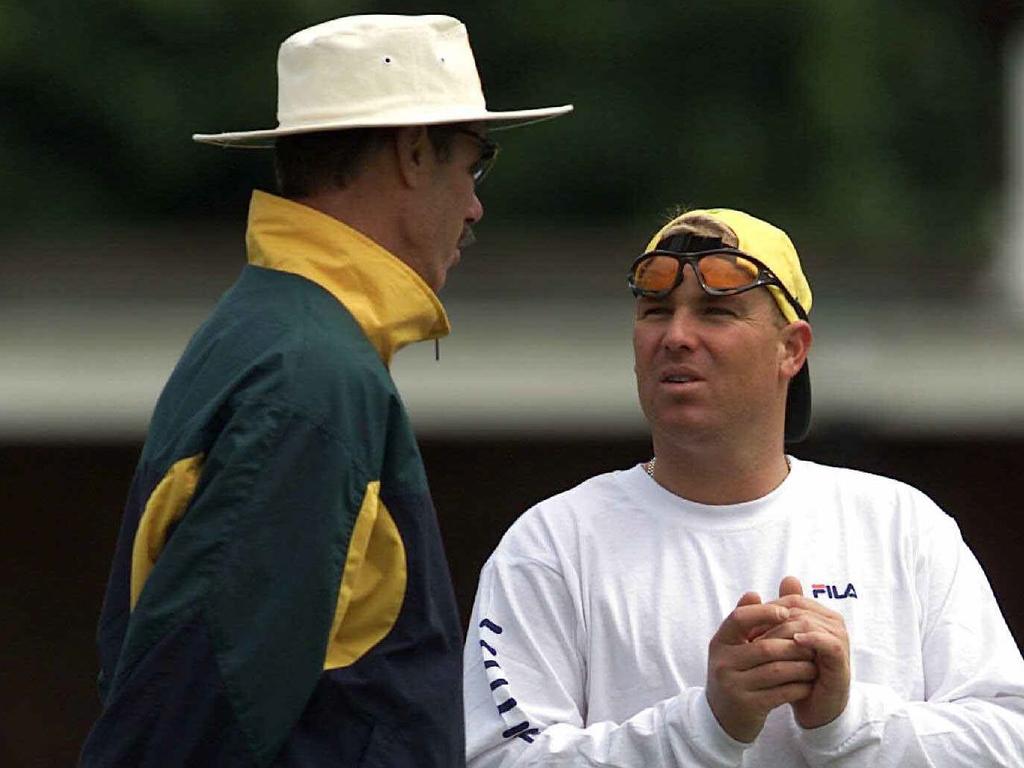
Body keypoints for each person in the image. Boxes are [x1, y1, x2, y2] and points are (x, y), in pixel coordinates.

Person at [80, 14, 571, 768]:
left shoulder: (265, 333)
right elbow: (202, 712)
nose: (475, 206)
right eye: (474, 164)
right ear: (412, 152)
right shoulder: (310, 378)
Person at [463, 208, 1024, 766]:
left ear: (792, 349)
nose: (677, 336)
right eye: (656, 310)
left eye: (716, 312)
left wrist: (846, 718)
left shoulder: (900, 525)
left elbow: (1008, 741)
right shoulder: (553, 544)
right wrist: (704, 725)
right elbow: (497, 759)